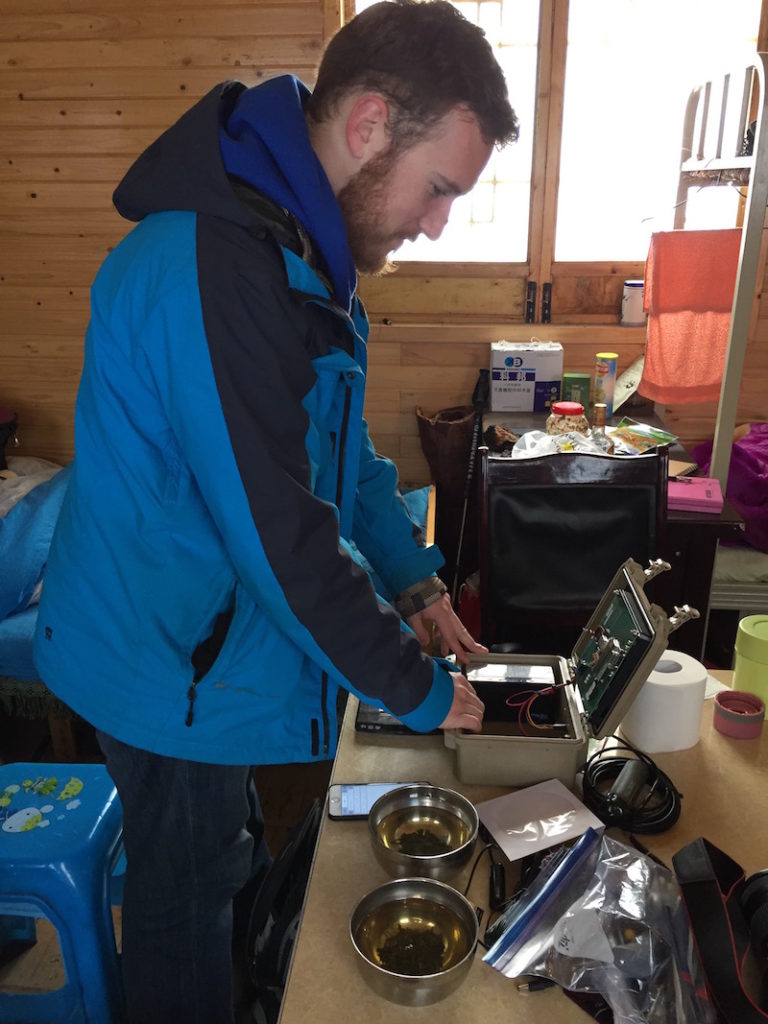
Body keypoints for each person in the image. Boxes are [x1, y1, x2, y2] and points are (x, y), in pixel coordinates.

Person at [33, 1, 519, 1020]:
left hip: (196, 635)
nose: (437, 223)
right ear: (370, 125)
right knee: (187, 895)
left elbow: (338, 470)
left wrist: (417, 585)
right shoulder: (212, 267)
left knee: (224, 851)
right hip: (161, 655)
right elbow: (280, 533)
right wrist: (422, 691)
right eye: (440, 190)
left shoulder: (299, 248)